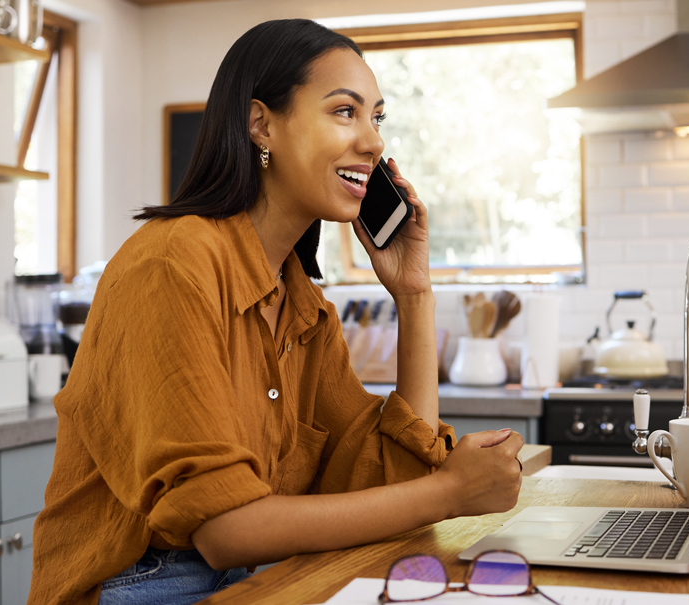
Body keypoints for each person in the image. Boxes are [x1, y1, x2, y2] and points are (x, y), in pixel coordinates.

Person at [27, 19, 525, 605]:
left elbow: (394, 475)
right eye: (345, 111)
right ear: (261, 123)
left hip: (258, 576)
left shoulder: (301, 305)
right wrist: (451, 493)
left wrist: (414, 297)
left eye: (377, 117)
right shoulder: (171, 264)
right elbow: (226, 529)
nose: (373, 141)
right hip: (143, 582)